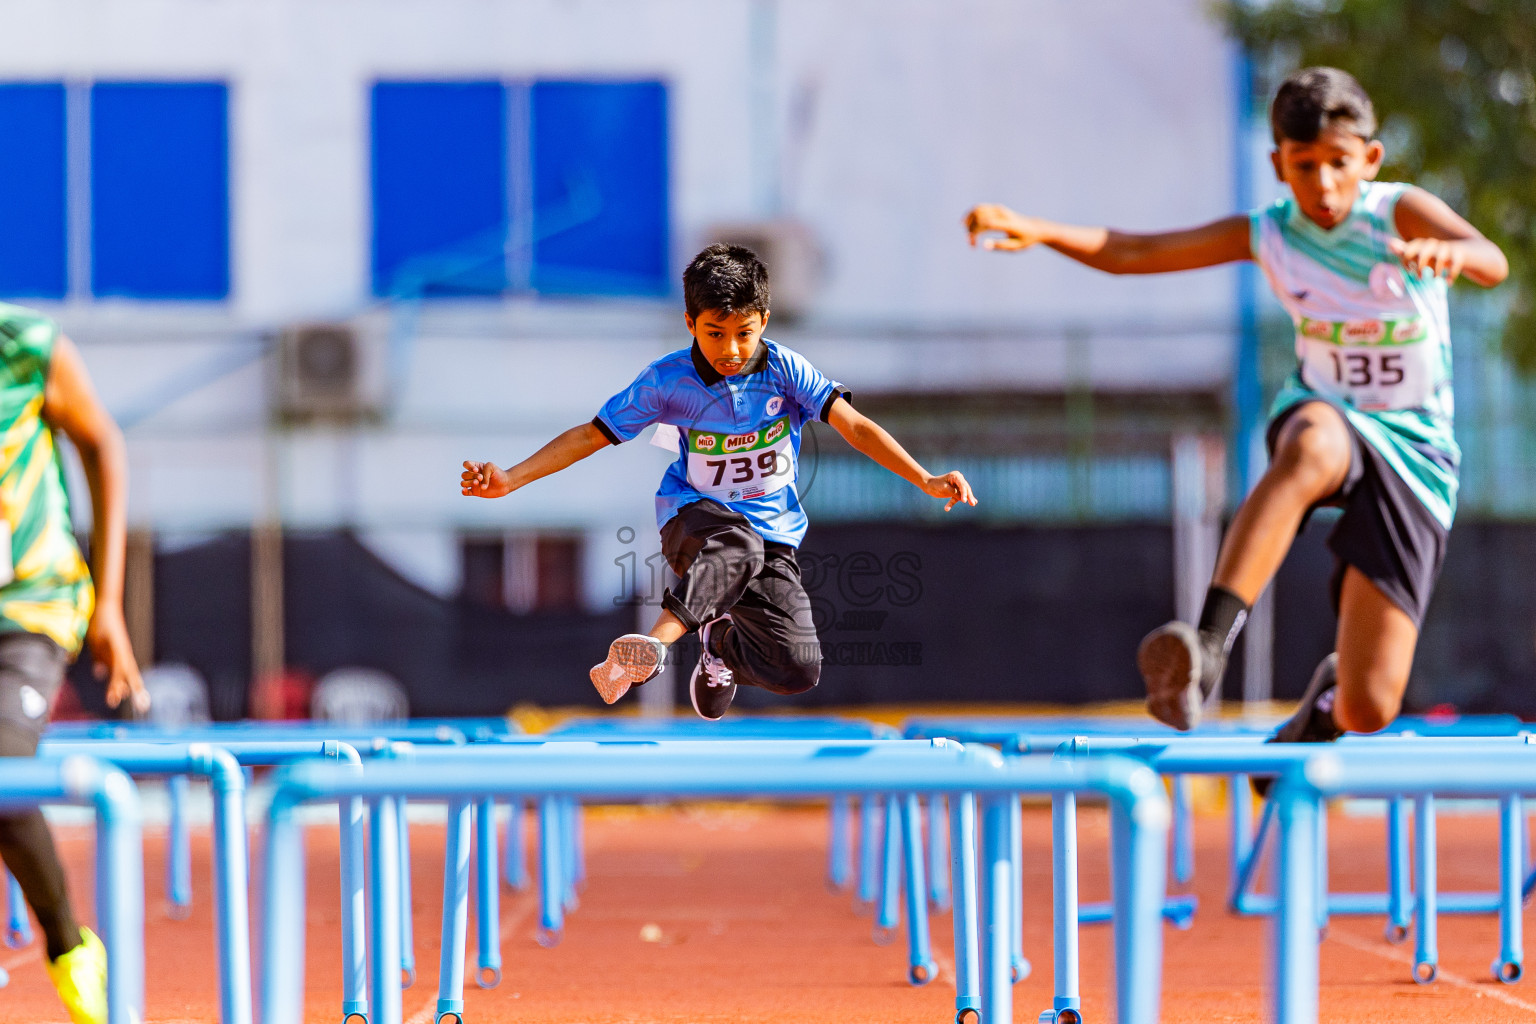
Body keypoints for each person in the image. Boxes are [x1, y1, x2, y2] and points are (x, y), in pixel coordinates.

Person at [964, 67, 1507, 747]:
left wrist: (1449, 250)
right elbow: (1137, 252)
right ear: (1280, 164)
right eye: (1305, 167)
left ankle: (1320, 709)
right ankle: (1208, 648)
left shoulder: (1397, 211)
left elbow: (1492, 261)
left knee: (1370, 706)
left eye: (1340, 165)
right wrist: (1041, 229)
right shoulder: (1272, 233)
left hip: (1416, 450)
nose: (1324, 186)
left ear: (1369, 159)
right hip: (1328, 414)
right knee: (1313, 443)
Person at [462, 243, 975, 719]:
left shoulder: (786, 371)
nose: (730, 349)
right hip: (692, 522)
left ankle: (719, 646)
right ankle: (656, 646)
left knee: (798, 668)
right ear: (690, 323)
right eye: (714, 334)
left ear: (763, 322)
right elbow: (591, 435)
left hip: (772, 537)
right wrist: (511, 477)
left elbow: (856, 427)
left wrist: (925, 478)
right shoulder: (667, 381)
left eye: (743, 333)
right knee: (737, 543)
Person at [0, 303, 148, 1023]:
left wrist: (110, 602)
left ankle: (68, 946)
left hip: (32, 605)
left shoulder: (24, 346)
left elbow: (103, 446)